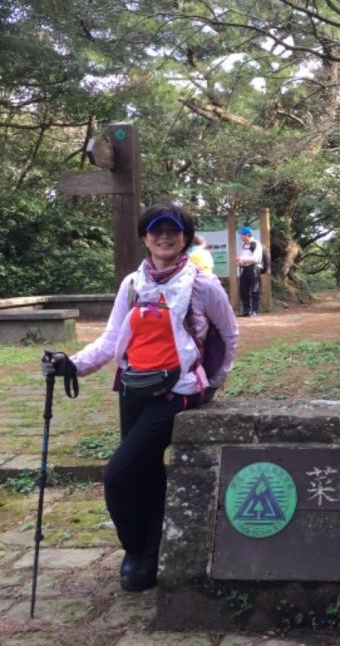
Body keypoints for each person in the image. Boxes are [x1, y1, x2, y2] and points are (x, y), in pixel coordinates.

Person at [40, 203, 238, 593]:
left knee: (119, 473)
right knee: (143, 471)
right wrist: (72, 365)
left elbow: (228, 335)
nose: (164, 236)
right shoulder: (133, 284)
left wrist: (212, 381)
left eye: (173, 230)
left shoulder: (203, 285)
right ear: (144, 237)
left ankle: (135, 551)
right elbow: (113, 339)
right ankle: (150, 553)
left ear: (184, 237)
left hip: (178, 392)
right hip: (133, 388)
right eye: (155, 230)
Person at [236, 225, 270, 316]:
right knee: (243, 290)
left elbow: (255, 259)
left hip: (254, 269)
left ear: (247, 235)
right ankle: (246, 311)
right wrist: (240, 261)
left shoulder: (255, 244)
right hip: (245, 269)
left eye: (242, 235)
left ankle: (254, 310)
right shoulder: (244, 245)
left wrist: (242, 258)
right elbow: (244, 258)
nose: (241, 237)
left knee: (255, 290)